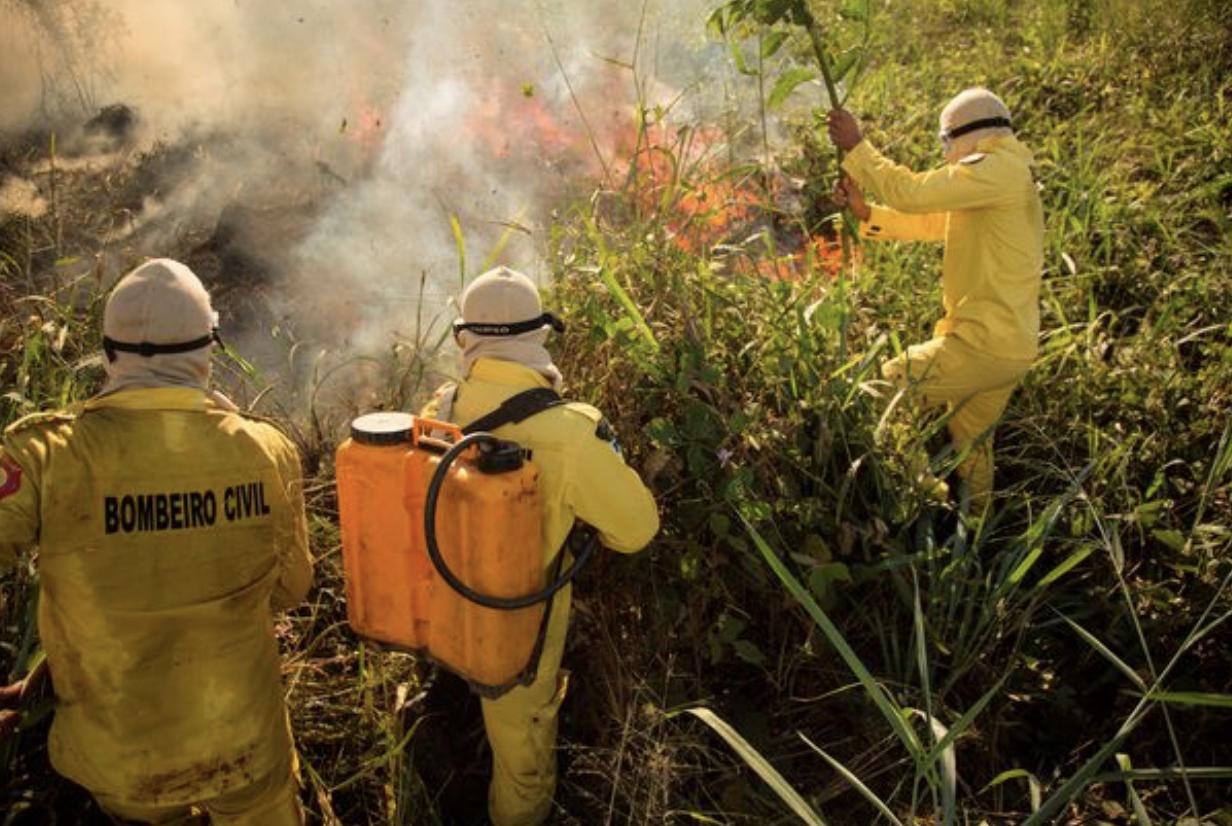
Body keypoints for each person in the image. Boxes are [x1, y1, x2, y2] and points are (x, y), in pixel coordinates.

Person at [0, 258, 313, 824]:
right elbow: (291, 589)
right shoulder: (267, 450)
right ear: (209, 350)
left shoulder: (45, 454)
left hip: (120, 760)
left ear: (109, 352)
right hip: (245, 744)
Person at [421, 265, 659, 826]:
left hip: (438, 615)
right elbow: (636, 531)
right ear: (541, 336)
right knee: (522, 762)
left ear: (463, 338)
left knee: (455, 703)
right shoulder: (573, 432)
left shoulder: (439, 411)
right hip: (518, 632)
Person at [828, 87, 1044, 510]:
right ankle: (979, 523)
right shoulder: (1006, 173)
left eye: (945, 141)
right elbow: (934, 223)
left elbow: (911, 193)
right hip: (1008, 347)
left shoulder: (996, 169)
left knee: (886, 386)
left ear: (967, 134)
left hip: (982, 345)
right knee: (972, 443)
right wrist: (867, 214)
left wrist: (857, 146)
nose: (945, 154)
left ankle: (925, 499)